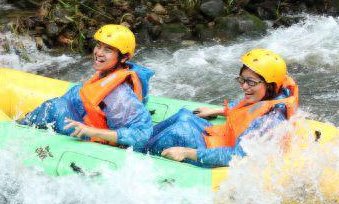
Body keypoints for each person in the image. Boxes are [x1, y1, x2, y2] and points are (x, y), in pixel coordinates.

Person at [145, 49, 299, 167]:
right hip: (225, 141)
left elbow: (238, 156)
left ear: (270, 85)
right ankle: (142, 139)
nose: (244, 86)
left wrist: (187, 153)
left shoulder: (269, 121)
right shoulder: (268, 95)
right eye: (242, 80)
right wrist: (217, 110)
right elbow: (244, 109)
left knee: (178, 132)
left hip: (223, 158)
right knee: (184, 115)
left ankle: (139, 152)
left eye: (251, 82)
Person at [20, 24, 154, 150]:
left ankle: (18, 129)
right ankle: (26, 122)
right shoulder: (111, 72)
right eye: (99, 46)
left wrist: (92, 131)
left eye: (107, 49)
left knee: (55, 107)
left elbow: (142, 133)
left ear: (123, 57)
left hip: (97, 141)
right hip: (91, 125)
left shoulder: (119, 94)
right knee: (74, 92)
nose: (99, 52)